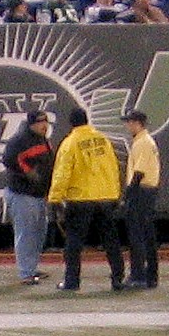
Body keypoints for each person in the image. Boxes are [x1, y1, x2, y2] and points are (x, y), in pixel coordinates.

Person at [47, 106, 125, 292]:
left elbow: (62, 172)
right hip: (105, 197)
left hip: (80, 199)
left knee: (74, 242)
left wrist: (55, 197)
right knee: (110, 240)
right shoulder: (102, 139)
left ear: (71, 123)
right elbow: (113, 167)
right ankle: (118, 278)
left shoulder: (70, 142)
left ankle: (72, 281)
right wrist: (115, 193)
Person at [1, 109, 55, 285]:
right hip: (23, 194)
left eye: (45, 122)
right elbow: (9, 159)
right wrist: (28, 173)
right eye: (40, 122)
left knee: (39, 233)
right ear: (31, 124)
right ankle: (26, 272)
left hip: (38, 194)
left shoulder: (43, 140)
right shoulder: (19, 140)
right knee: (26, 233)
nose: (44, 125)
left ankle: (31, 267)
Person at [119, 110, 160, 288]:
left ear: (137, 123)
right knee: (147, 234)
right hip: (148, 191)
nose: (127, 125)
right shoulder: (145, 140)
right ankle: (150, 275)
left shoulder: (142, 142)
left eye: (129, 122)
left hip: (141, 191)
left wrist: (128, 193)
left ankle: (139, 276)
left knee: (138, 235)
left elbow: (139, 172)